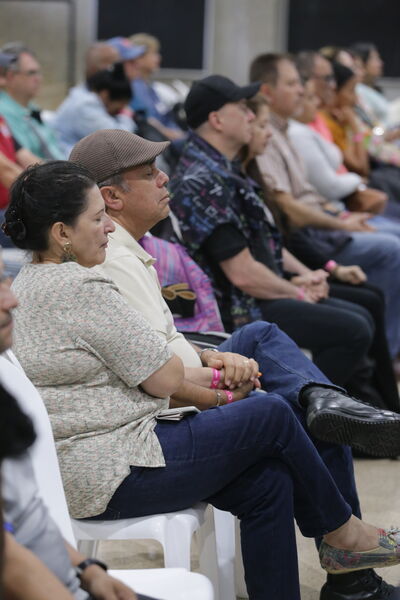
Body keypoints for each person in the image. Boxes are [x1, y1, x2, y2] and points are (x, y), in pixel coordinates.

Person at [4, 159, 400, 600]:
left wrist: (215, 374)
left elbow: (159, 363)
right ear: (62, 233)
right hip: (113, 466)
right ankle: (342, 534)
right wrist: (228, 393)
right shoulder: (81, 287)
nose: (109, 229)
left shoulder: (34, 281)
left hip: (96, 461)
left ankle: (337, 538)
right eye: (97, 219)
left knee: (268, 481)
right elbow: (166, 377)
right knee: (271, 412)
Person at [0, 255, 144, 599]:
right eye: (96, 218)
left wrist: (87, 570)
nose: (12, 298)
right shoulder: (76, 285)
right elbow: (10, 563)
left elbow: (25, 519)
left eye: (3, 280)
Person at [246, 92, 399, 412]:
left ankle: (383, 405)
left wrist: (323, 269)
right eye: (258, 125)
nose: (267, 132)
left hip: (309, 247)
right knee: (358, 318)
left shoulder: (257, 166)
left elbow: (279, 238)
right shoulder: (234, 177)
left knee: (368, 300)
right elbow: (244, 269)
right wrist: (301, 285)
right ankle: (313, 417)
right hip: (254, 295)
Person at [0, 42, 64, 159]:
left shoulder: (31, 108)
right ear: (10, 76)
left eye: (39, 72)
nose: (38, 79)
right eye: (31, 73)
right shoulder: (4, 113)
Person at [53, 63, 133, 154]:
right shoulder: (86, 106)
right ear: (105, 94)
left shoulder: (85, 96)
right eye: (119, 108)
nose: (118, 112)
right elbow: (121, 142)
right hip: (64, 157)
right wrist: (126, 116)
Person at [129, 33, 185, 140]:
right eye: (154, 53)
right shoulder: (135, 86)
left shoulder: (149, 87)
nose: (158, 58)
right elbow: (147, 122)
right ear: (139, 58)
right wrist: (175, 135)